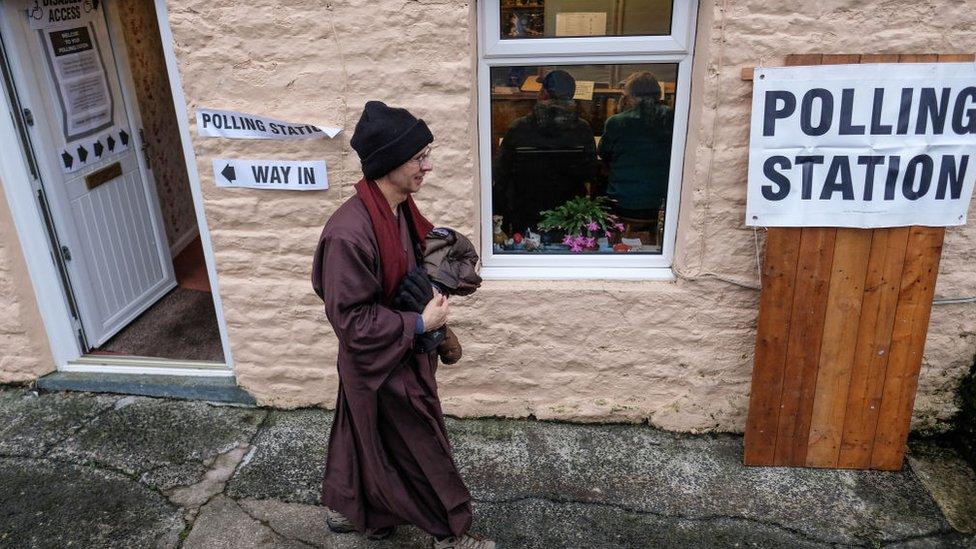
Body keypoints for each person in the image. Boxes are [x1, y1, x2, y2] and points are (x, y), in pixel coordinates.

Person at [311, 101, 495, 549]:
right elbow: (350, 320)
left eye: (426, 154)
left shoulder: (401, 210)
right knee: (421, 451)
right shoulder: (348, 233)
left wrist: (450, 266)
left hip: (400, 357)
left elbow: (422, 265)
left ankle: (374, 515)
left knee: (375, 448)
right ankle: (450, 534)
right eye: (418, 157)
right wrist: (419, 321)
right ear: (389, 162)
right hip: (380, 364)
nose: (427, 165)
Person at [493, 69, 598, 235]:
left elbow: (500, 173)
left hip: (526, 212)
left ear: (544, 95)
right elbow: (591, 172)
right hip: (569, 212)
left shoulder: (519, 128)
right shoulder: (582, 129)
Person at [598, 72, 675, 223]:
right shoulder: (673, 116)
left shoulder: (616, 122)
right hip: (662, 202)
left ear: (631, 96)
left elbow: (603, 153)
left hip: (623, 202)